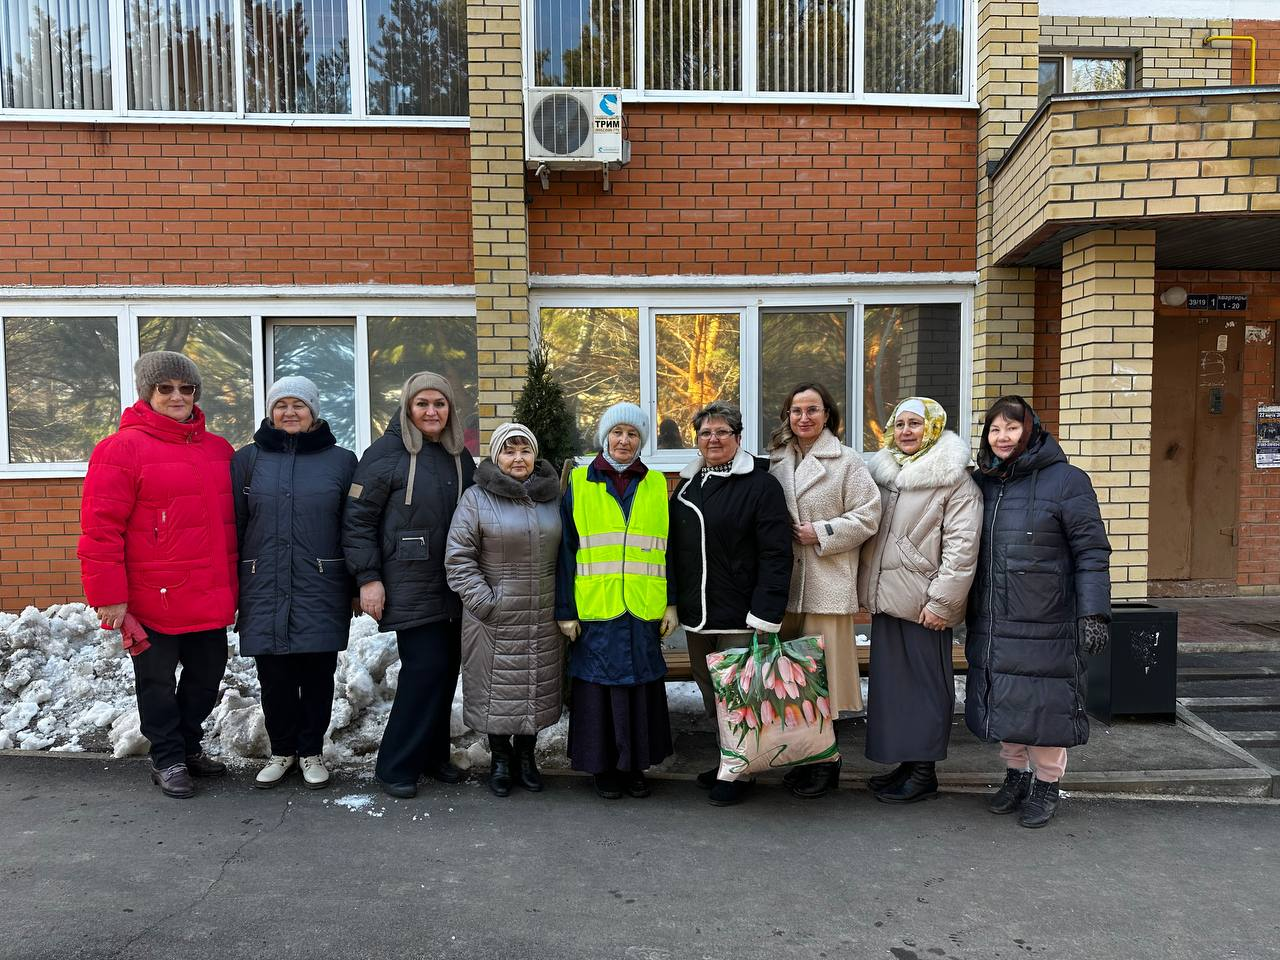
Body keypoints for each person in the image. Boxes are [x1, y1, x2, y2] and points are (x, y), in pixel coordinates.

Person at [78, 351, 237, 799]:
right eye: (165, 388)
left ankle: (187, 745)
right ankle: (168, 757)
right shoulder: (119, 449)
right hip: (153, 598)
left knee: (207, 678)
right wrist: (109, 597)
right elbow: (100, 529)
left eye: (186, 389)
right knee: (157, 683)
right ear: (147, 392)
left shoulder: (218, 449)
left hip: (207, 593)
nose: (177, 396)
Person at [966, 395, 1112, 828]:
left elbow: (1091, 552)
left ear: (1031, 430)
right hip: (994, 615)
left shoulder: (1067, 481)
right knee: (1005, 699)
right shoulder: (984, 482)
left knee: (1044, 704)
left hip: (1048, 618)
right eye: (995, 429)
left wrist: (1094, 613)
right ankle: (1015, 775)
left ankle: (1047, 783)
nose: (1003, 437)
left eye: (1012, 427)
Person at [342, 372, 476, 800]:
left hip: (452, 581)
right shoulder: (384, 455)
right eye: (422, 404)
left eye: (439, 403)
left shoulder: (459, 455)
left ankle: (432, 756)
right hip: (407, 581)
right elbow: (358, 521)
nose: (432, 411)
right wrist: (368, 579)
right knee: (425, 670)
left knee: (444, 671)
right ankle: (395, 764)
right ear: (408, 409)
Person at [232, 376, 357, 790]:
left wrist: (358, 582)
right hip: (262, 583)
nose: (289, 412)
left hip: (321, 583)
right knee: (274, 676)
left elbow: (353, 527)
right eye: (281, 404)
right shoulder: (248, 460)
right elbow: (235, 524)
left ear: (314, 412)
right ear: (270, 411)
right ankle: (282, 751)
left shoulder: (342, 461)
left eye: (298, 405)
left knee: (318, 675)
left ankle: (311, 752)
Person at [667, 401, 792, 807]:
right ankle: (730, 758)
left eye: (722, 432)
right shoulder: (687, 485)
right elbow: (675, 551)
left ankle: (739, 773)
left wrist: (766, 612)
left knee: (738, 692)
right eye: (705, 433)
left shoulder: (760, 485)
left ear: (738, 437)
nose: (713, 439)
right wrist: (673, 603)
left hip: (740, 610)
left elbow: (776, 553)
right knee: (710, 688)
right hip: (699, 610)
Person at [858, 397, 981, 804]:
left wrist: (942, 604)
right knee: (896, 690)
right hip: (890, 600)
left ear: (932, 428)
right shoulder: (888, 473)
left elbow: (962, 548)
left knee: (926, 687)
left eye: (915, 424)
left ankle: (924, 771)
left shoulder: (954, 480)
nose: (906, 431)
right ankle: (907, 764)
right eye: (900, 424)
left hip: (925, 603)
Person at [556, 402, 677, 800]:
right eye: (617, 432)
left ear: (641, 441)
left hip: (643, 605)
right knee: (598, 688)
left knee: (640, 687)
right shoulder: (578, 481)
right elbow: (565, 551)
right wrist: (565, 610)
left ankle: (636, 765)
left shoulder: (657, 484)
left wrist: (671, 602)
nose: (624, 441)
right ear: (604, 436)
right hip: (595, 607)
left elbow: (668, 550)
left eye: (633, 434)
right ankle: (603, 767)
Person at [767, 382, 881, 799]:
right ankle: (805, 756)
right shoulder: (777, 460)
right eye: (796, 411)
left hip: (826, 584)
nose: (804, 418)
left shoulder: (847, 460)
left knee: (822, 681)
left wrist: (822, 531)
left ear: (828, 415)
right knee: (792, 681)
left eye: (812, 410)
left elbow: (869, 516)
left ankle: (828, 762)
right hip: (786, 587)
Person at [445, 423, 563, 798]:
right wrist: (485, 603)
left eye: (525, 450)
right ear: (496, 457)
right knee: (496, 690)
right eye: (509, 451)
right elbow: (458, 558)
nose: (518, 458)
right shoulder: (476, 498)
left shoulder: (552, 497)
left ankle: (527, 757)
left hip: (543, 612)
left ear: (535, 455)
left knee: (535, 686)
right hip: (495, 615)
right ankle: (500, 758)